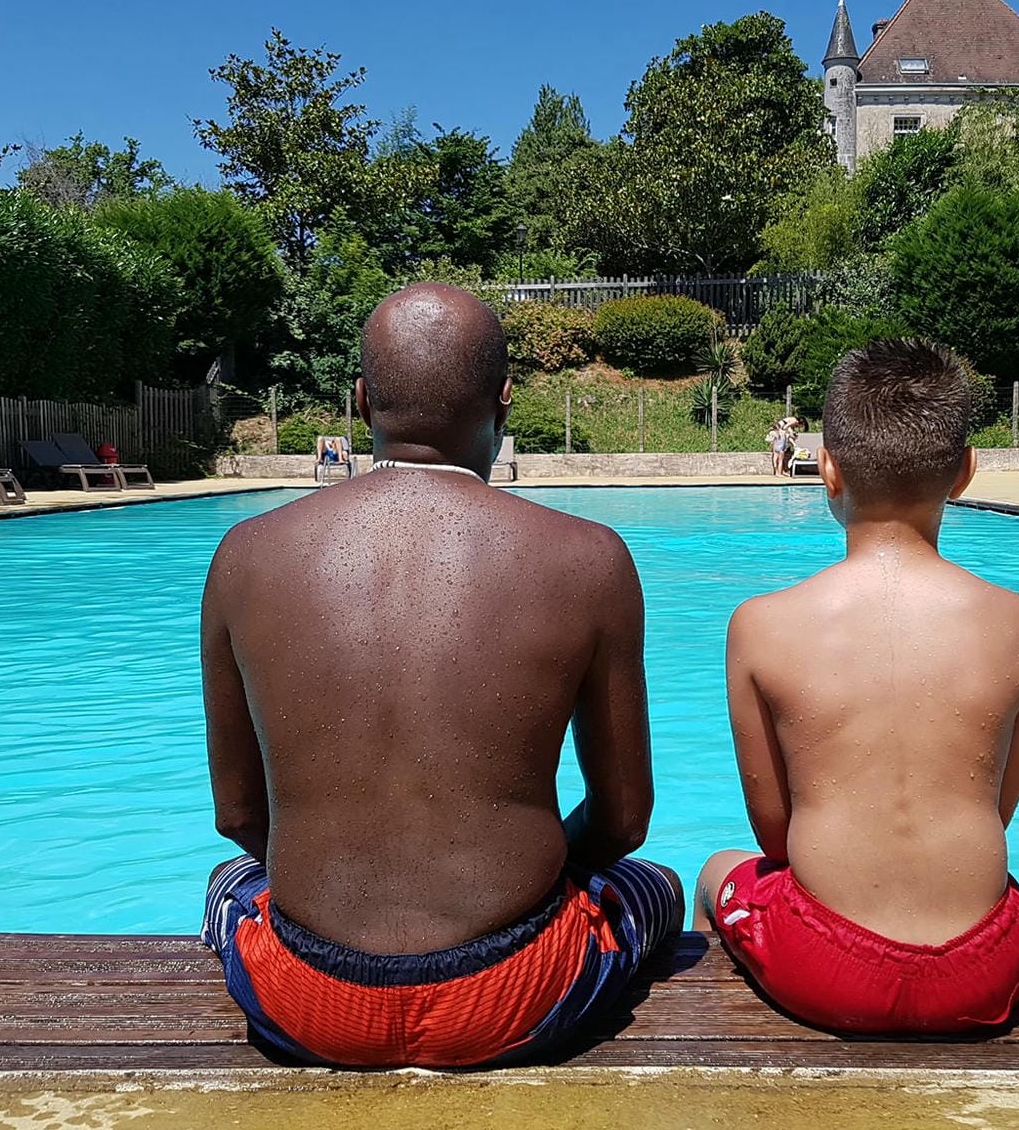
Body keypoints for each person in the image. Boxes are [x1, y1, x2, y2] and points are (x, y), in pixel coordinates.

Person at [200, 283, 684, 1069]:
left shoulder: (244, 556)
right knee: (654, 883)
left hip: (311, 995)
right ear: (504, 402)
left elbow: (239, 818)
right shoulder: (590, 558)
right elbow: (625, 823)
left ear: (360, 401)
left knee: (228, 884)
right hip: (515, 990)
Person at [694, 338, 1019, 1036]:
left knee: (718, 872)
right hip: (982, 969)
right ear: (965, 472)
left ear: (826, 469)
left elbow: (776, 839)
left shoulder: (762, 625)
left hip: (825, 973)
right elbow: (995, 811)